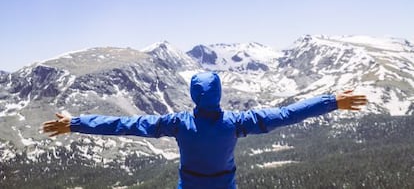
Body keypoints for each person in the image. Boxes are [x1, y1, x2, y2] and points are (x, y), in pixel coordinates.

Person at [43, 71, 367, 189]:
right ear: (219, 94)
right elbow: (285, 114)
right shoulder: (238, 123)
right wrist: (332, 101)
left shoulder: (177, 124)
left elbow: (124, 124)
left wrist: (75, 122)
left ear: (193, 97)